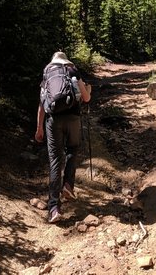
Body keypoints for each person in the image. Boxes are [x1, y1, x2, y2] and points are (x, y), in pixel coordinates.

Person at [35, 51, 91, 224]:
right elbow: (86, 98)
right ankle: (68, 185)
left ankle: (53, 208)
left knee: (55, 160)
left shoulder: (47, 72)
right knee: (73, 149)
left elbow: (42, 102)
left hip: (53, 120)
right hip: (73, 117)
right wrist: (88, 90)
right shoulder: (72, 69)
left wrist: (39, 128)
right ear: (65, 59)